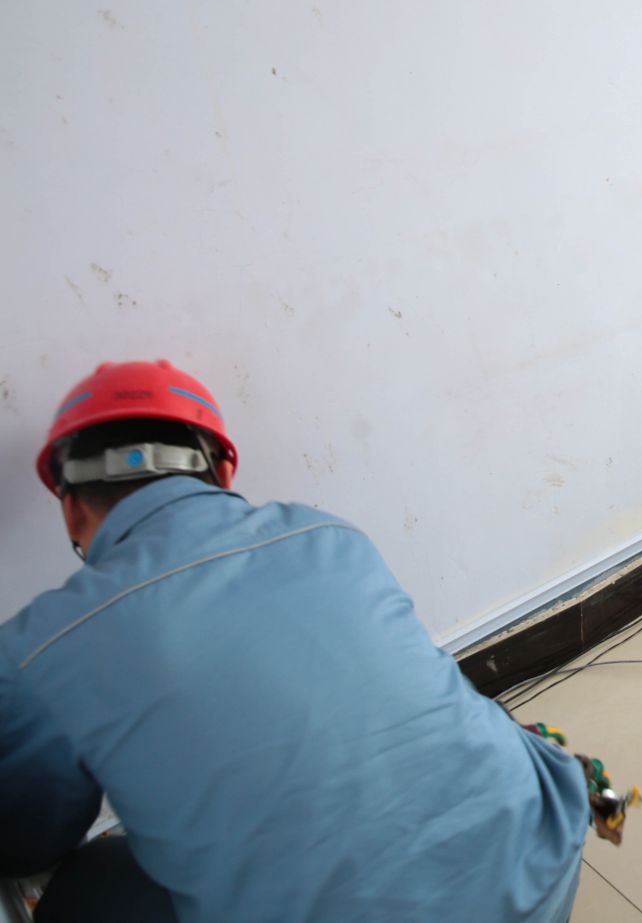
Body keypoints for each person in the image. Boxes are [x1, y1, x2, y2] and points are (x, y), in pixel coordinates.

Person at [0, 360, 607, 922]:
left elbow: (33, 837)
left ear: (71, 510)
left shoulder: (38, 650)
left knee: (84, 884)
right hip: (540, 862)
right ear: (222, 472)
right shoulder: (330, 535)